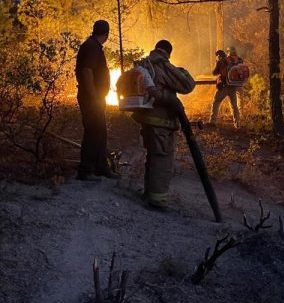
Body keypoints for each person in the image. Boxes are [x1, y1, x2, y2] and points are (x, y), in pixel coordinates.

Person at [131, 40, 196, 209]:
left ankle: (149, 192)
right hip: (162, 122)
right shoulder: (163, 65)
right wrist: (181, 71)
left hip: (146, 120)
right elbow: (188, 85)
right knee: (162, 159)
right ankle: (157, 200)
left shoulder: (144, 64)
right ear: (168, 52)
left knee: (152, 156)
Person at [75, 20, 118, 181]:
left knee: (100, 132)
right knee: (93, 132)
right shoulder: (92, 47)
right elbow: (87, 71)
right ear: (106, 34)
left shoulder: (92, 45)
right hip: (91, 98)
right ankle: (86, 171)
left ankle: (101, 168)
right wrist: (93, 97)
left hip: (96, 98)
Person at [208, 46, 243, 129]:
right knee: (234, 106)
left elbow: (214, 73)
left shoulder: (222, 61)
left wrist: (217, 62)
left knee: (216, 102)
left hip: (223, 87)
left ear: (228, 52)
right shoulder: (239, 60)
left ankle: (213, 122)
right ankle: (237, 124)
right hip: (233, 86)